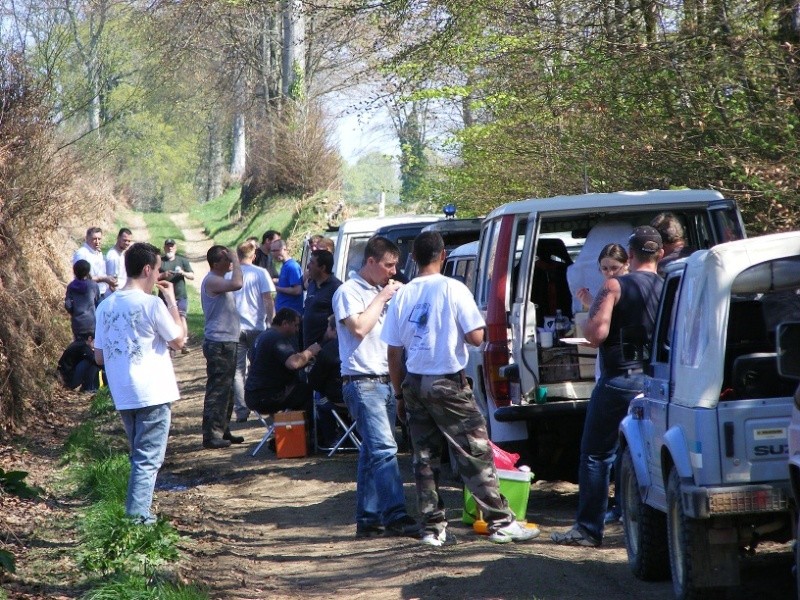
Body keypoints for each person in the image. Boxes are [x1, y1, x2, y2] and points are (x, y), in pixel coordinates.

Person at [382, 231, 540, 546]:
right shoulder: (454, 288)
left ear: (413, 258)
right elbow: (476, 338)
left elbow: (393, 352)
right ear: (443, 256)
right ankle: (500, 522)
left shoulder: (401, 294)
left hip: (414, 381)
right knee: (475, 451)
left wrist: (399, 393)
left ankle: (433, 529)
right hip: (447, 383)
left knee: (424, 458)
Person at [551, 225, 664, 547]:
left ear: (629, 256)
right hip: (657, 382)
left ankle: (588, 529)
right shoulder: (670, 286)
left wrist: (590, 313)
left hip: (620, 381)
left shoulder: (615, 286)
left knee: (596, 454)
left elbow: (595, 335)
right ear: (662, 254)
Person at [332, 236, 419, 539]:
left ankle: (368, 520)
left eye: (395, 266)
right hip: (362, 382)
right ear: (371, 261)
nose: (393, 272)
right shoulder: (348, 291)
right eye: (388, 265)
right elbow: (358, 328)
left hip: (384, 381)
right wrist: (382, 298)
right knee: (385, 449)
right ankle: (395, 515)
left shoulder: (380, 290)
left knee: (372, 453)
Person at [93, 242, 184, 524]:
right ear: (147, 269)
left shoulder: (105, 306)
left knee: (139, 457)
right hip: (153, 391)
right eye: (158, 270)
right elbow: (178, 341)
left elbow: (98, 356)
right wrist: (171, 302)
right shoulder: (152, 303)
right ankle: (136, 520)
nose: (159, 276)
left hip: (123, 391)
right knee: (147, 460)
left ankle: (138, 514)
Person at [201, 245, 244, 449]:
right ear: (216, 263)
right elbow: (238, 283)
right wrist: (236, 259)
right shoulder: (212, 280)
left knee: (227, 390)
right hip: (219, 343)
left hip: (227, 341)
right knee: (218, 390)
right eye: (226, 260)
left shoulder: (219, 281)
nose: (230, 263)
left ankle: (222, 429)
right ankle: (211, 435)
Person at [244, 308, 319, 416]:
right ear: (285, 323)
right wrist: (311, 351)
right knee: (307, 391)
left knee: (298, 390)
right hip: (267, 396)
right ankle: (303, 430)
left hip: (252, 395)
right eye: (295, 325)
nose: (297, 330)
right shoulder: (276, 338)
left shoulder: (262, 336)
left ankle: (287, 426)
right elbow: (294, 363)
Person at [231, 240, 276, 422]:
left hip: (235, 328)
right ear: (254, 255)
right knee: (262, 367)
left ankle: (242, 409)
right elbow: (268, 299)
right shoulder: (260, 273)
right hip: (256, 327)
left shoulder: (229, 275)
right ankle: (265, 406)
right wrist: (272, 321)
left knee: (237, 371)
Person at [308, 315, 347, 448]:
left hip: (337, 401)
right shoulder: (362, 346)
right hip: (362, 398)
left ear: (335, 329)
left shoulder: (328, 350)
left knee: (319, 398)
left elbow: (314, 382)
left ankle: (331, 439)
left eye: (328, 328)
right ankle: (354, 435)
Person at [159, 239, 195, 351]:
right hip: (164, 295)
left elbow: (192, 276)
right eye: (168, 246)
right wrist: (163, 275)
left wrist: (182, 273)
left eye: (172, 246)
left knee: (182, 317)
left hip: (180, 294)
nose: (170, 248)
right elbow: (153, 277)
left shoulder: (182, 260)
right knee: (166, 319)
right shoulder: (160, 261)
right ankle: (169, 342)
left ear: (175, 248)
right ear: (164, 248)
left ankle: (183, 342)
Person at [302, 249, 342, 348]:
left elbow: (337, 320)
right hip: (308, 347)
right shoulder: (312, 284)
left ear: (323, 267)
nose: (308, 266)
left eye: (312, 262)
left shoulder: (337, 288)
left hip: (324, 349)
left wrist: (322, 342)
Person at [575, 244, 629, 311]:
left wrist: (591, 303)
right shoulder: (606, 290)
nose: (610, 273)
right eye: (605, 269)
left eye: (615, 268)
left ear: (626, 265)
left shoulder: (633, 288)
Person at [72, 227, 116, 296]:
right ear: (87, 238)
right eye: (94, 239)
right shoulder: (82, 254)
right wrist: (104, 279)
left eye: (99, 239)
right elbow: (81, 278)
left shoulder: (98, 252)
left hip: (101, 292)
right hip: (87, 295)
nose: (97, 242)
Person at [65, 259, 101, 340]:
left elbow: (68, 305)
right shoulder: (93, 285)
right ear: (88, 271)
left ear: (74, 271)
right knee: (92, 347)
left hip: (77, 324)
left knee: (79, 347)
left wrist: (74, 312)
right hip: (91, 323)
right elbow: (98, 302)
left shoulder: (71, 286)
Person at [272, 239, 304, 316]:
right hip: (282, 312)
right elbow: (286, 282)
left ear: (284, 249)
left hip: (290, 315)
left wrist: (275, 288)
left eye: (275, 251)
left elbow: (297, 290)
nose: (273, 254)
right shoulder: (285, 265)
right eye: (272, 251)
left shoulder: (292, 266)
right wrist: (274, 280)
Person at [105, 228, 133, 292]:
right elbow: (112, 283)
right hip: (115, 295)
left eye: (129, 241)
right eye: (124, 240)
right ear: (118, 238)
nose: (127, 243)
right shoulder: (113, 256)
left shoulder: (123, 253)